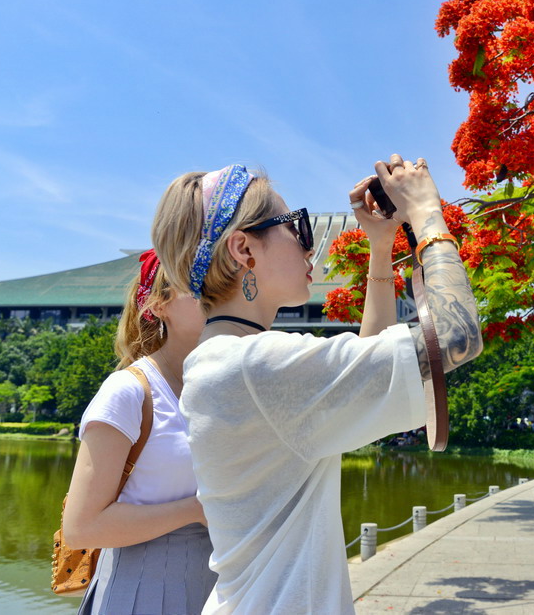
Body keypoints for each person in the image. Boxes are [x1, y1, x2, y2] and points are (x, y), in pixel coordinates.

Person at [151, 156, 483, 613]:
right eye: (297, 228)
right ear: (244, 250)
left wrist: (381, 247)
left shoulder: (227, 363)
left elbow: (364, 373)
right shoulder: (257, 367)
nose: (310, 247)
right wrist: (427, 213)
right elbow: (456, 337)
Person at [64, 250, 216, 614]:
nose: (215, 293)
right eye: (199, 285)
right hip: (144, 587)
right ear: (159, 305)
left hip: (219, 584)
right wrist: (196, 510)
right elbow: (81, 528)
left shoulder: (220, 389)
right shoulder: (129, 390)